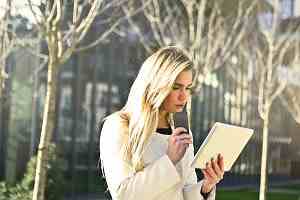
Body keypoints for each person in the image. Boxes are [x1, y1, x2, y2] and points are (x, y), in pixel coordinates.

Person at [99, 46, 225, 200]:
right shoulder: (119, 126)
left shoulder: (181, 131)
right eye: (176, 87)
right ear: (156, 85)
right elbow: (123, 194)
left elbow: (183, 193)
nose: (183, 96)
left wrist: (206, 187)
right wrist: (169, 160)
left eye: (187, 88)